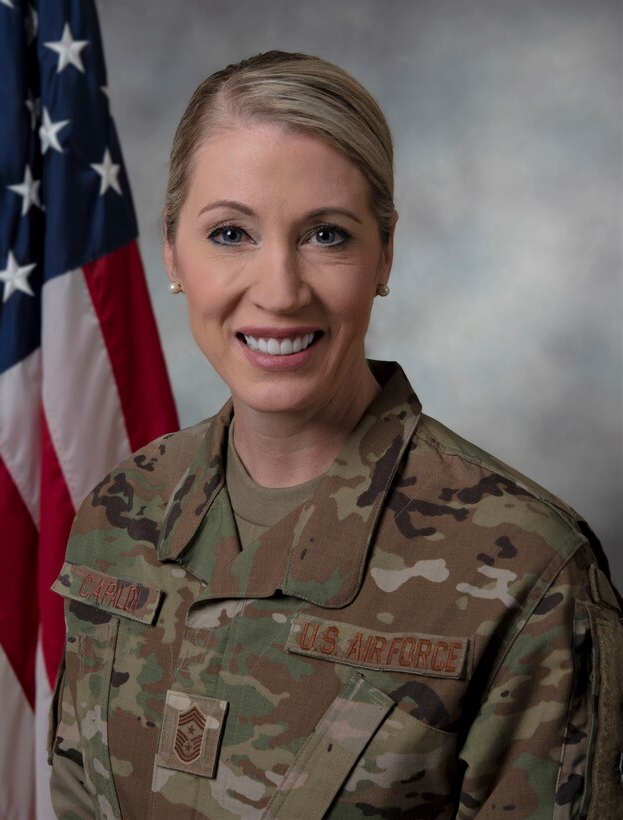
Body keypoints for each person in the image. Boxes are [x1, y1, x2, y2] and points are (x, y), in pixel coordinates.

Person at [48, 51, 623, 819]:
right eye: (229, 233)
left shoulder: (532, 573)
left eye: (326, 235)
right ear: (172, 252)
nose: (281, 290)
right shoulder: (117, 517)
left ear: (385, 254)